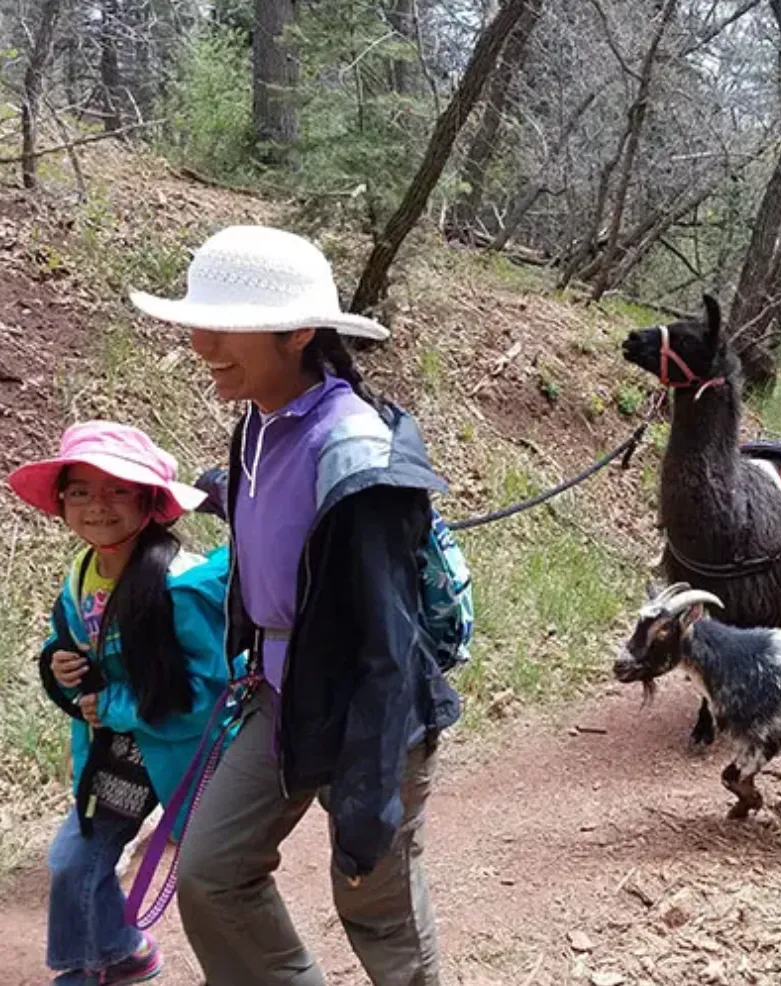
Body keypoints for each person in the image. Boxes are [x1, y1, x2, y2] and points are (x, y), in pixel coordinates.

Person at [130, 224, 460, 986]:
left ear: (299, 333)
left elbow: (387, 644)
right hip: (282, 693)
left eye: (224, 328)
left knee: (377, 910)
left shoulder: (352, 453)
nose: (200, 342)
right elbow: (272, 514)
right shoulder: (259, 420)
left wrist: (372, 800)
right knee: (212, 872)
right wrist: (203, 492)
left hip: (368, 715)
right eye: (196, 323)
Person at [8, 421, 235, 986]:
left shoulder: (181, 586)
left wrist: (111, 706)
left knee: (217, 882)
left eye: (117, 490)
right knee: (74, 860)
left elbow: (205, 690)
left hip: (186, 755)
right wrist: (58, 665)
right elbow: (71, 645)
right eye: (80, 491)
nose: (96, 506)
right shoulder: (82, 574)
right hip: (119, 753)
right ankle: (106, 958)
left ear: (150, 501)